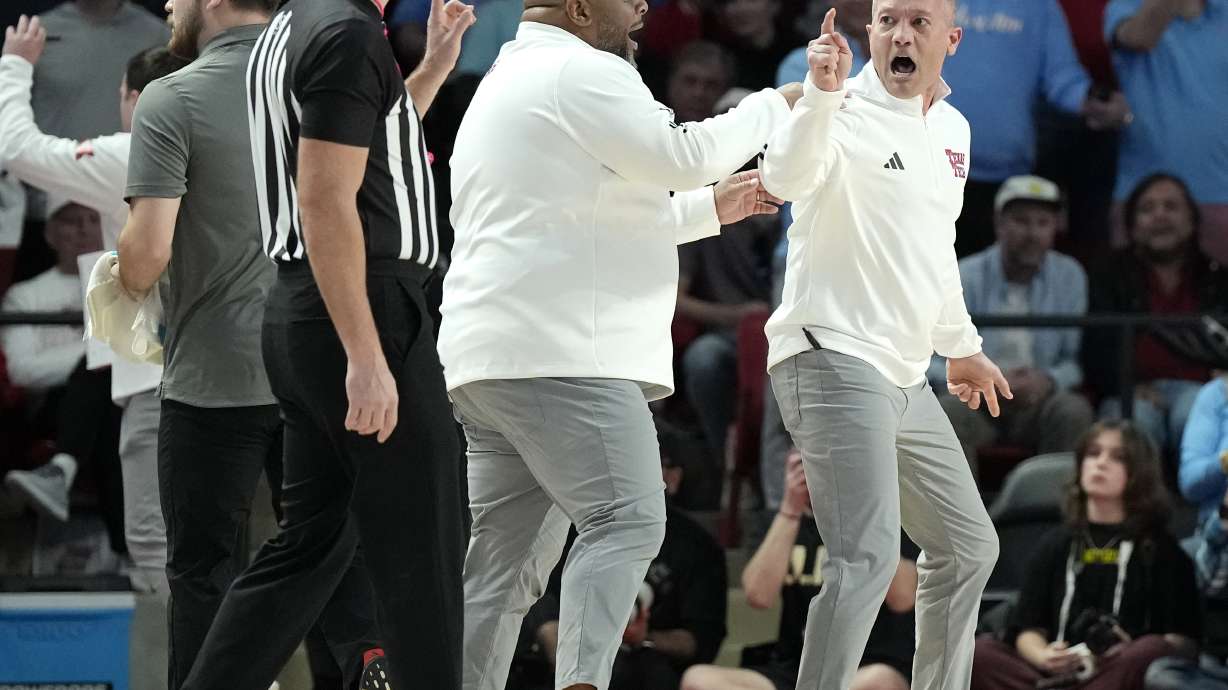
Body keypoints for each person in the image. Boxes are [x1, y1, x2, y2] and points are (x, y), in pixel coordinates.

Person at [439, 0, 799, 684]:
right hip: (565, 355)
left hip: (491, 362)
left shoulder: (509, 78)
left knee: (502, 573)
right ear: (578, 7)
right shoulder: (582, 70)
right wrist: (771, 107)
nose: (642, 7)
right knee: (628, 519)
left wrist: (706, 210)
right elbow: (682, 155)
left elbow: (582, 221)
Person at [174, 0, 476, 687]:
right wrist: (367, 355)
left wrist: (428, 71)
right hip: (361, 309)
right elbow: (324, 200)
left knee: (307, 548)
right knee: (422, 552)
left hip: (308, 310)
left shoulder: (294, 24)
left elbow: (368, 155)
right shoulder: (343, 32)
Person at [116, 0, 392, 685]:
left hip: (215, 376)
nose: (170, 6)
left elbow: (147, 255)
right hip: (319, 364)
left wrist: (115, 269)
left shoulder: (170, 95)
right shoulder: (321, 76)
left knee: (206, 573)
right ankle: (368, 671)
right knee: (324, 563)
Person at [759, 2, 1009, 688]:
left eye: (919, 23)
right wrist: (819, 97)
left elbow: (935, 251)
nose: (901, 34)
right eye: (888, 20)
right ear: (869, 33)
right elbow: (782, 183)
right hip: (830, 351)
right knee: (866, 558)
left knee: (968, 547)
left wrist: (959, 346)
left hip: (903, 374)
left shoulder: (953, 129)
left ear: (950, 40)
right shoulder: (837, 107)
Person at [0, 19, 187, 593]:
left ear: (132, 97)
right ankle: (64, 468)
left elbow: (17, 149)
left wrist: (15, 64)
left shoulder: (131, 153)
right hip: (216, 358)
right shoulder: (233, 147)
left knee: (157, 549)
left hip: (162, 371)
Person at [970, 421, 1200, 690]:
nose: (1100, 463)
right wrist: (1045, 656)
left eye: (1118, 458)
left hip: (1116, 672)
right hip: (1050, 675)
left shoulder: (1161, 549)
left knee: (1151, 651)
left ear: (1140, 473)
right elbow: (1027, 629)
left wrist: (1126, 649)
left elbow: (1183, 643)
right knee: (979, 653)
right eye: (1093, 453)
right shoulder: (1056, 543)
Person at [681, 451, 918, 690]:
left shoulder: (892, 519)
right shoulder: (787, 524)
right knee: (699, 680)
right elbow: (758, 596)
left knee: (878, 681)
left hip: (867, 665)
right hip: (795, 667)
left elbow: (903, 598)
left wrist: (856, 509)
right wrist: (790, 510)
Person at [928, 175, 1094, 471]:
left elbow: (1074, 361)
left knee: (1073, 410)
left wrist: (1048, 380)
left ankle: (1057, 514)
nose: (1032, 233)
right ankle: (964, 517)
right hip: (975, 399)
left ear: (1055, 228)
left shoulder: (1070, 276)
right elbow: (932, 361)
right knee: (944, 410)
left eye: (1043, 223)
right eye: (1021, 221)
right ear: (999, 223)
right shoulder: (962, 275)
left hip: (1037, 400)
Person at [940, 0, 1129, 257]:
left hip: (1008, 182)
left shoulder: (1040, 6)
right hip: (933, 175)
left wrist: (1091, 99)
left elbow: (1062, 77)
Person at [1, 198, 123, 557]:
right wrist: (96, 354)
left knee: (111, 407)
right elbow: (23, 370)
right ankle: (127, 555)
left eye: (91, 219)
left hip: (117, 408)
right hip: (49, 412)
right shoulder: (26, 295)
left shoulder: (120, 285)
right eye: (71, 221)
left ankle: (61, 472)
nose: (84, 229)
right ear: (51, 233)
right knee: (103, 375)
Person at [1082, 173, 1228, 462]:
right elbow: (1094, 349)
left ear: (1191, 221)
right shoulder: (1108, 276)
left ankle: (1206, 505)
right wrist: (1125, 386)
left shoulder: (1219, 278)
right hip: (1130, 391)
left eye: (1171, 207)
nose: (1160, 215)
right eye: (1147, 209)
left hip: (1199, 388)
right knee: (1134, 425)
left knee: (1195, 414)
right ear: (1133, 226)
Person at [1105, 0, 1228, 263]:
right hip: (1143, 197)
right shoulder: (1126, 6)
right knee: (1133, 299)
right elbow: (1140, 37)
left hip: (1221, 191)